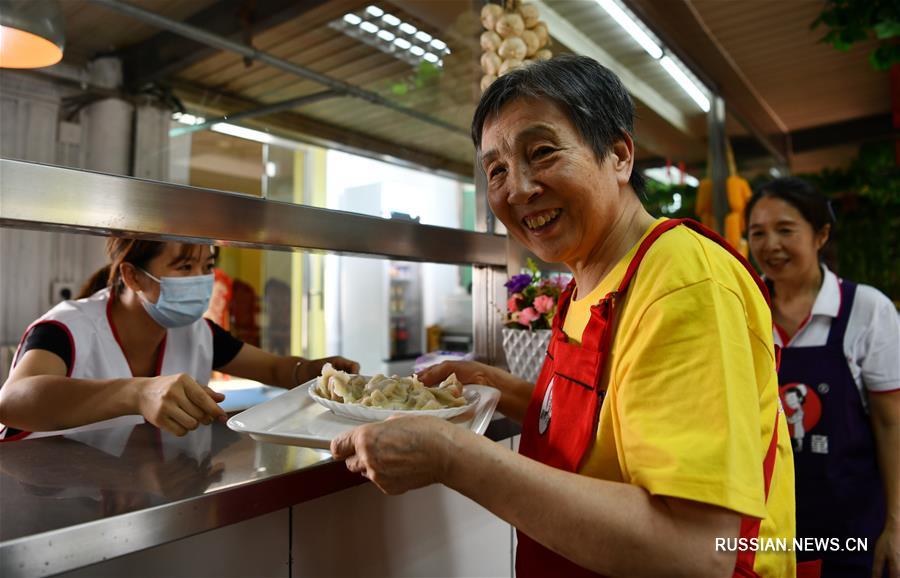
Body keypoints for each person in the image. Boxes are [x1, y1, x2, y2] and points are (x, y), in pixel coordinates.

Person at [330, 55, 798, 577]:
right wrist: (493, 384)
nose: (519, 189)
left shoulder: (682, 281)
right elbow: (609, 429)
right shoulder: (590, 280)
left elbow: (694, 552)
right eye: (497, 170)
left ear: (619, 155)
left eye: (543, 152)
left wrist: (451, 455)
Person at [0, 238, 358, 440]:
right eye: (184, 267)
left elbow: (278, 370)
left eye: (206, 266)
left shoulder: (196, 333)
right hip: (43, 494)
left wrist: (313, 370)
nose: (202, 279)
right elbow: (13, 401)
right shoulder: (66, 329)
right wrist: (137, 393)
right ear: (133, 276)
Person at [747, 177, 899, 578]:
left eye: (785, 229)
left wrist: (896, 525)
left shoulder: (866, 309)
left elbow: (892, 422)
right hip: (766, 537)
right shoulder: (744, 312)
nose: (770, 245)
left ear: (821, 235)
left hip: (853, 533)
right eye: (757, 233)